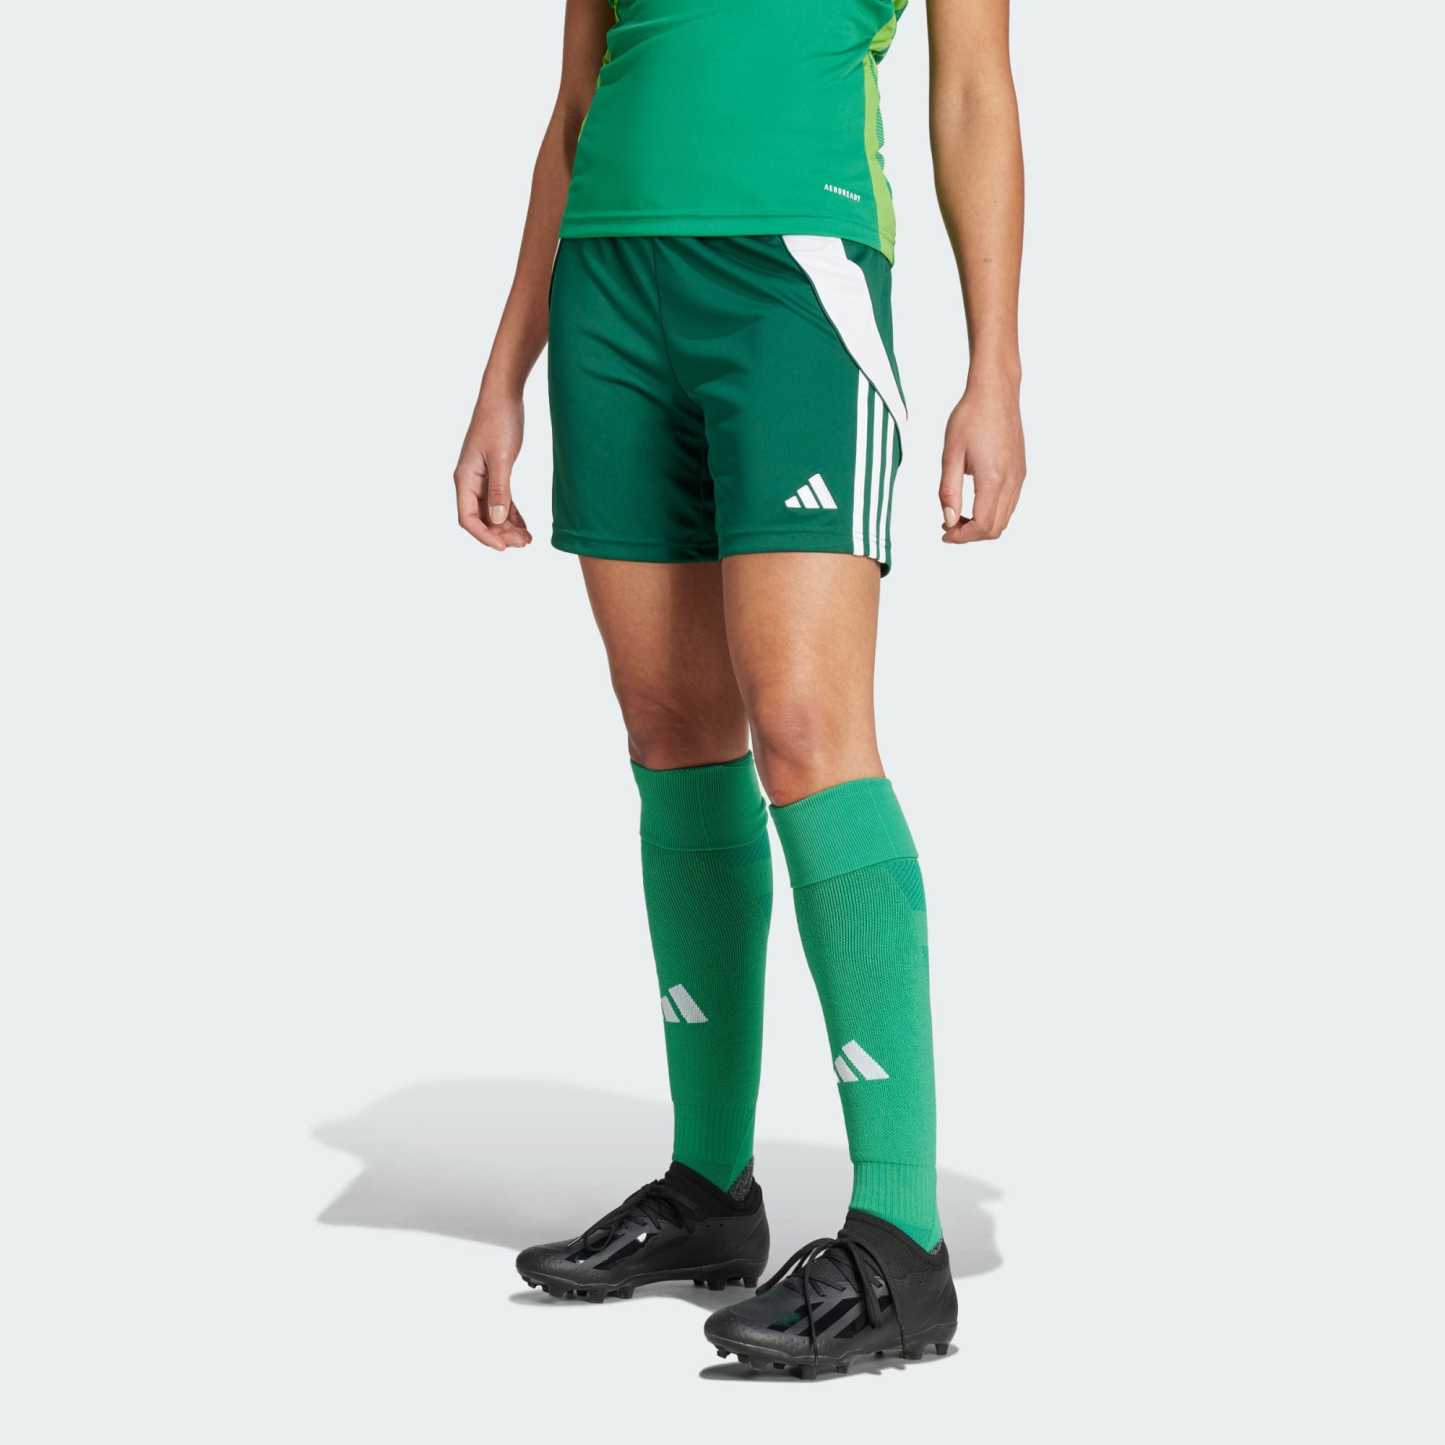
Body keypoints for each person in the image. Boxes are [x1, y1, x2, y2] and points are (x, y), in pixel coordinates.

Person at [453, 0, 1025, 1376]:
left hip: (794, 279)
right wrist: (502, 373)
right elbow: (577, 105)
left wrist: (993, 368)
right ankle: (709, 1190)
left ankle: (900, 1241)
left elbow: (970, 93)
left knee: (810, 733)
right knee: (670, 732)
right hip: (609, 285)